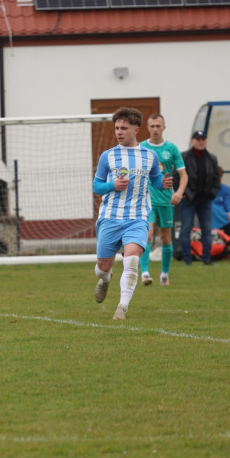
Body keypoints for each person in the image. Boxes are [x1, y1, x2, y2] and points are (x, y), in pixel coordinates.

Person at [92, 107, 171, 321]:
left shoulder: (150, 156)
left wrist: (162, 184)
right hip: (110, 217)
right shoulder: (107, 156)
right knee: (102, 267)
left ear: (136, 130)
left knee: (132, 260)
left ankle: (122, 307)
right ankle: (105, 279)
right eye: (117, 128)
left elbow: (154, 180)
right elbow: (97, 186)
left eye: (123, 128)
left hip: (138, 218)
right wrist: (112, 185)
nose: (119, 132)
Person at [138, 113, 187, 287]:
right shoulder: (141, 147)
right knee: (147, 235)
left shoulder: (171, 148)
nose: (155, 129)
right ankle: (144, 273)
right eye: (152, 126)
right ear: (148, 128)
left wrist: (179, 192)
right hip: (147, 200)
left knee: (166, 238)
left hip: (167, 200)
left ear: (164, 128)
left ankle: (164, 274)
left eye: (158, 126)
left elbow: (183, 174)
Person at [177, 130, 220, 265]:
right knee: (186, 229)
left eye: (203, 139)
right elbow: (176, 176)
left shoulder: (212, 158)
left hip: (205, 200)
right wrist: (181, 192)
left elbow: (216, 179)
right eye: (198, 139)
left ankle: (207, 259)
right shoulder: (184, 157)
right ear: (192, 141)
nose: (201, 141)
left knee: (207, 229)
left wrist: (212, 193)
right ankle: (187, 260)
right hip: (189, 199)